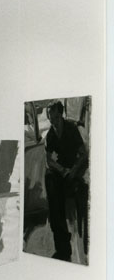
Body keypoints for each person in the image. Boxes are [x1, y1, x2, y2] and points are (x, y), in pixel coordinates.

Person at [44, 101, 88, 261]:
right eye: (51, 120)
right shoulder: (50, 134)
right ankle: (62, 247)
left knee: (80, 190)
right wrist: (62, 170)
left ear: (61, 115)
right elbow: (49, 160)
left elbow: (83, 154)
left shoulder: (71, 129)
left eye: (56, 118)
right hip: (61, 173)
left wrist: (73, 170)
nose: (53, 123)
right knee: (50, 181)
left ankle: (82, 242)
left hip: (74, 171)